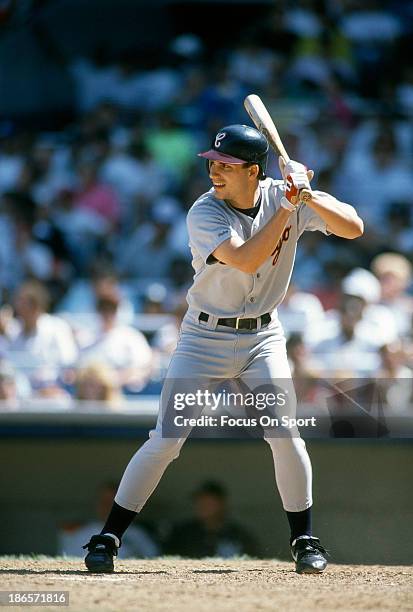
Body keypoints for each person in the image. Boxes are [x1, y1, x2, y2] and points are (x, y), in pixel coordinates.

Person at [83, 124, 363, 574]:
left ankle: (304, 540)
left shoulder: (283, 195)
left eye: (226, 165)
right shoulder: (204, 211)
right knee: (167, 441)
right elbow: (248, 257)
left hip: (263, 337)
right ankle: (108, 537)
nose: (214, 170)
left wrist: (308, 195)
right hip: (203, 338)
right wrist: (291, 204)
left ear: (253, 171)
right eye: (212, 162)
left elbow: (353, 228)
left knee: (284, 433)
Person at [164, 481, 259, 558]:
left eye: (208, 502)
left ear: (222, 504)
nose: (202, 506)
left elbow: (254, 559)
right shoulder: (182, 533)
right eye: (199, 501)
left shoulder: (238, 535)